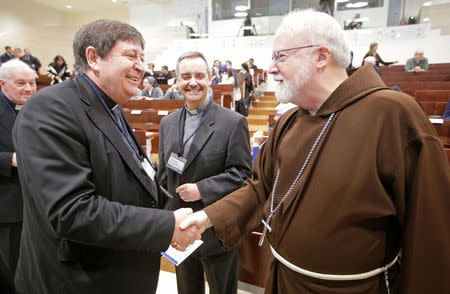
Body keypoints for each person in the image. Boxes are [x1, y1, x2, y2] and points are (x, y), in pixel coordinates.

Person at [180, 9, 450, 294]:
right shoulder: (289, 121)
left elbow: (430, 232)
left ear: (321, 56)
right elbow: (260, 189)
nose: (271, 68)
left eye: (280, 57)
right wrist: (209, 216)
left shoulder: (394, 114)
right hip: (284, 280)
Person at [12, 19, 200, 294]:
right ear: (93, 57)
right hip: (77, 280)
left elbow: (133, 175)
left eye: (143, 58)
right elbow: (72, 212)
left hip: (120, 271)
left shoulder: (111, 108)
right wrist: (165, 225)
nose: (141, 66)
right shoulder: (50, 109)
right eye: (130, 56)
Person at [156, 51, 252, 294]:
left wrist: (202, 189)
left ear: (210, 78)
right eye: (185, 76)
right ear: (177, 81)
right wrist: (164, 221)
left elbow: (243, 174)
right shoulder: (168, 123)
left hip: (217, 229)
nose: (192, 82)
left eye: (199, 75)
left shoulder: (233, 122)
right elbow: (162, 177)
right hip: (181, 228)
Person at [0, 60, 37, 276]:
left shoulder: (36, 107)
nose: (29, 88)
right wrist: (10, 159)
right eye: (21, 83)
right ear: (2, 84)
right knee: (10, 265)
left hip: (34, 202)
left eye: (32, 83)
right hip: (7, 202)